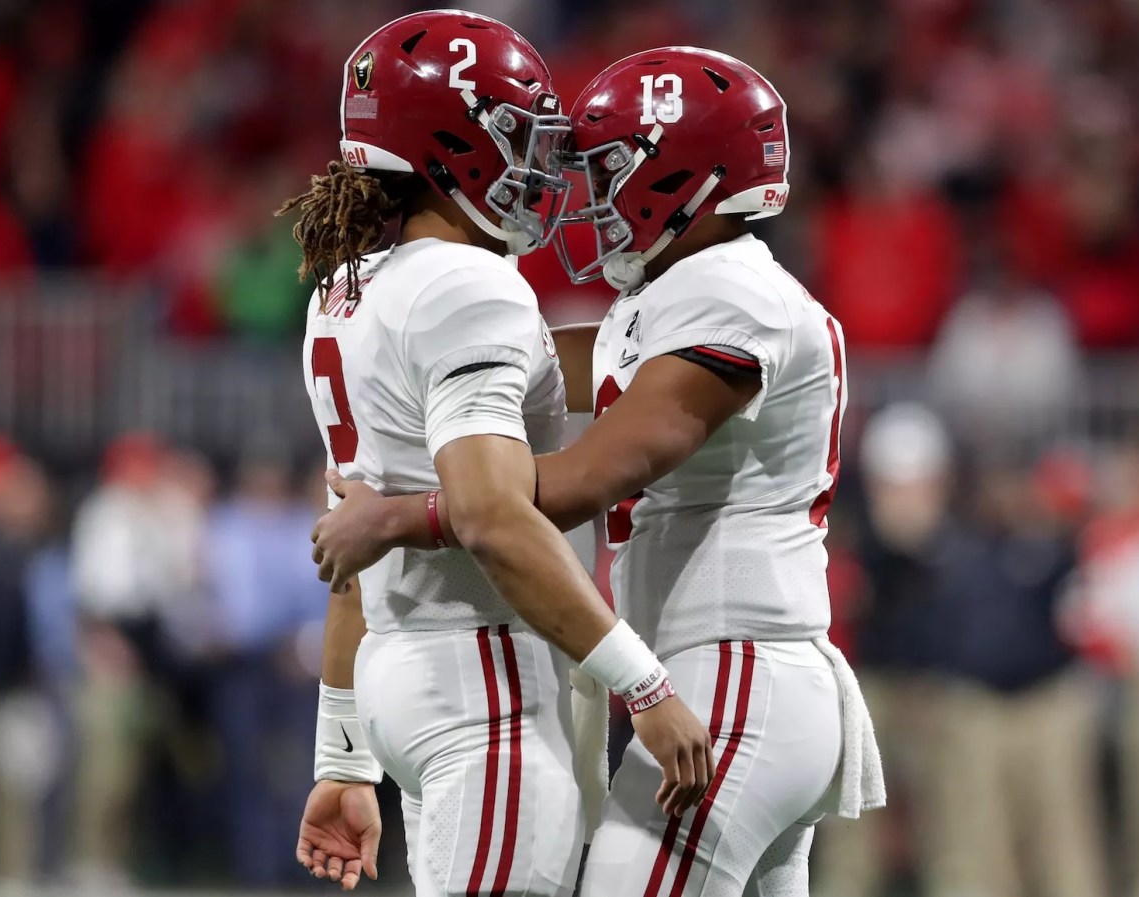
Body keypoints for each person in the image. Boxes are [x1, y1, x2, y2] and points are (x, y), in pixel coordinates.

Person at [312, 47, 885, 897]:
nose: (588, 194)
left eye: (612, 170)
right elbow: (538, 370)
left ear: (685, 174)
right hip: (730, 670)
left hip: (737, 669)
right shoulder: (676, 293)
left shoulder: (732, 294)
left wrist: (399, 512)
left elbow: (584, 476)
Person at [282, 12, 713, 896]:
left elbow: (356, 537)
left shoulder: (349, 288)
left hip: (405, 667)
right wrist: (644, 683)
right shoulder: (470, 287)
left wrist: (344, 751)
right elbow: (489, 517)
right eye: (517, 135)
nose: (539, 165)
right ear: (451, 145)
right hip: (486, 676)